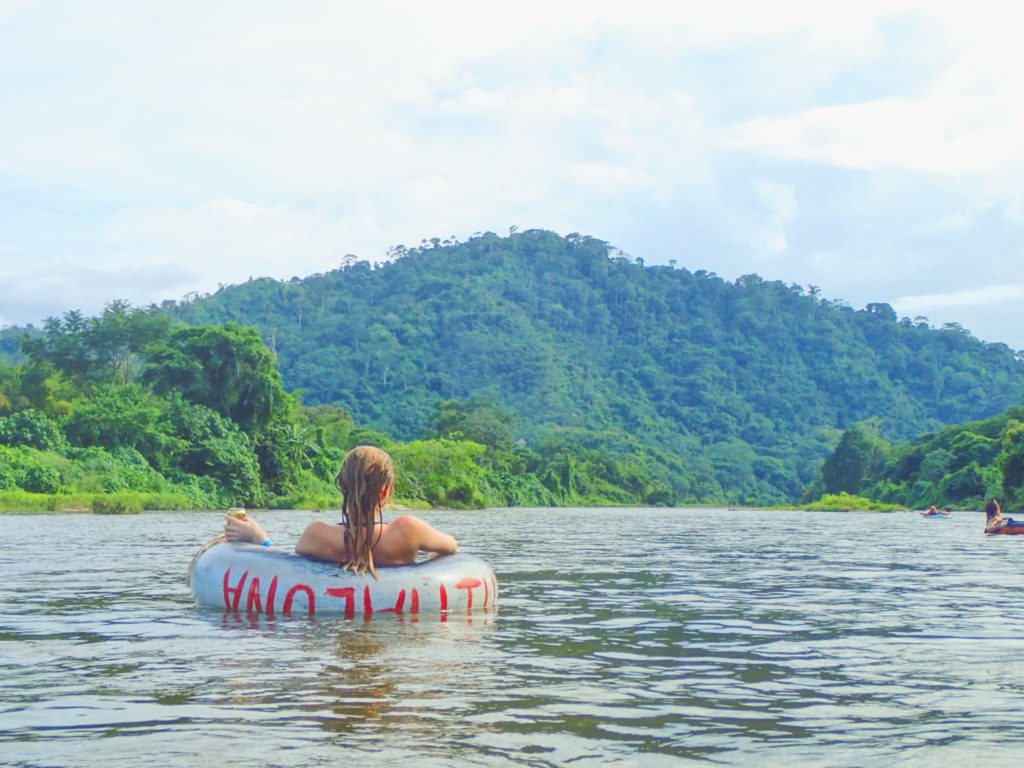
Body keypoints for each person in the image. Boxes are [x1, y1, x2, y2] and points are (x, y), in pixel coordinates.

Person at [223, 445, 458, 576]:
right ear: (386, 491)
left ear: (343, 486)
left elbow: (286, 567)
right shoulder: (409, 530)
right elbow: (451, 546)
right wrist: (432, 559)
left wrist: (259, 539)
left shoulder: (317, 534)